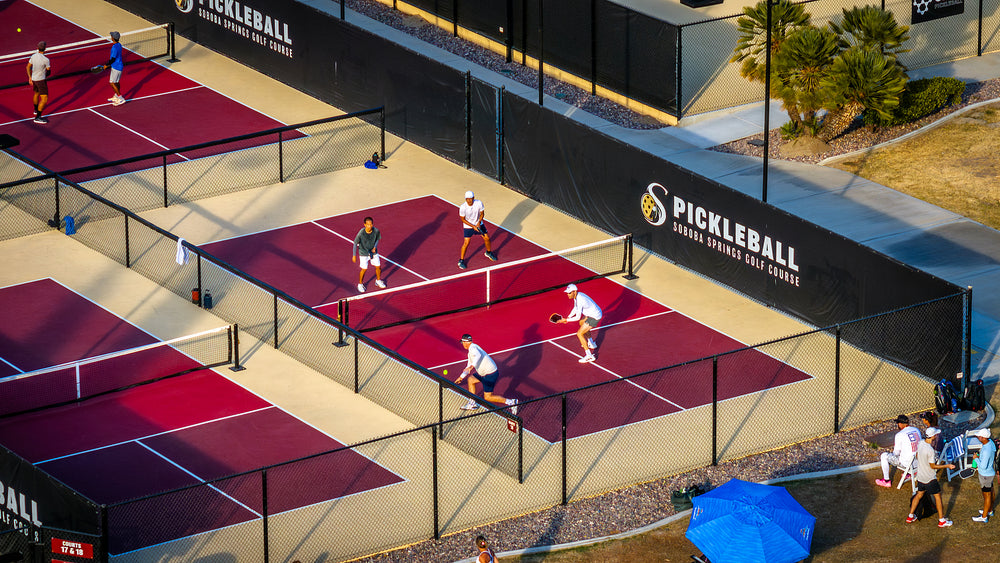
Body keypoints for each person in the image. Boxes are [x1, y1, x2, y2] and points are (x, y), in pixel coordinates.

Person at [455, 334, 517, 414]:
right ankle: (472, 403)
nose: (462, 344)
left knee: (488, 397)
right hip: (483, 373)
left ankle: (511, 402)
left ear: (466, 342)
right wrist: (461, 377)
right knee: (471, 380)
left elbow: (478, 356)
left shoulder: (473, 348)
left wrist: (471, 367)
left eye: (463, 342)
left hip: (490, 374)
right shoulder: (471, 351)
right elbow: (468, 365)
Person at [906, 427, 955, 526]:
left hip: (921, 477)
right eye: (935, 434)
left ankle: (910, 516)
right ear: (933, 436)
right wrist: (947, 465)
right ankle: (942, 520)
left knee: (919, 495)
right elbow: (933, 466)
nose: (936, 436)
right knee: (938, 498)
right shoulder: (930, 450)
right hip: (930, 478)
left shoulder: (920, 443)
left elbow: (917, 455)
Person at [556, 283, 603, 363]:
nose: (568, 294)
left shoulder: (580, 299)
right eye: (567, 293)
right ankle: (591, 343)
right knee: (581, 322)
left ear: (574, 291)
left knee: (579, 334)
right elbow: (575, 308)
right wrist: (568, 317)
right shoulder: (577, 296)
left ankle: (589, 356)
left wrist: (566, 320)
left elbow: (577, 317)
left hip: (594, 316)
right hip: (591, 314)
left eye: (569, 292)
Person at [875, 414, 921, 488]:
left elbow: (896, 453)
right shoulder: (916, 430)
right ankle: (910, 473)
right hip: (919, 461)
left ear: (900, 424)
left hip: (908, 463)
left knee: (884, 456)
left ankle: (886, 481)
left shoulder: (899, 435)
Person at [458, 190, 496, 269]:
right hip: (468, 226)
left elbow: (482, 213)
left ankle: (488, 252)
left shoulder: (478, 203)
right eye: (467, 199)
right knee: (466, 242)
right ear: (465, 199)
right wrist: (473, 226)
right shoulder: (463, 207)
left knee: (487, 238)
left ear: (473, 198)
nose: (469, 200)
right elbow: (463, 219)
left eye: (471, 198)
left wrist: (478, 222)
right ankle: (461, 260)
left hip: (479, 224)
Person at [352, 216, 386, 293]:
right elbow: (355, 243)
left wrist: (375, 247)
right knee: (364, 269)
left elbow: (377, 239)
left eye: (371, 224)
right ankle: (360, 284)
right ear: (364, 224)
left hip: (373, 252)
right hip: (363, 253)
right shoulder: (361, 232)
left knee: (378, 267)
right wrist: (354, 255)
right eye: (368, 224)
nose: (369, 226)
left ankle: (378, 280)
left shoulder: (376, 231)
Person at [972, 428, 996, 523]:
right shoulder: (990, 443)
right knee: (990, 492)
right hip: (989, 474)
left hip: (985, 475)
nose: (978, 437)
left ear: (983, 438)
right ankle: (989, 510)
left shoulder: (986, 450)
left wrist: (976, 458)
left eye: (979, 436)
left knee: (987, 495)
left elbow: (983, 466)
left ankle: (984, 516)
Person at [26, 41, 51, 124]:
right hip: (41, 81)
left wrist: (30, 77)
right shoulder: (46, 60)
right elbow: (48, 71)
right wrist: (45, 74)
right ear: (45, 49)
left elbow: (28, 67)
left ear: (37, 48)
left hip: (34, 79)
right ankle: (38, 117)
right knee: (44, 99)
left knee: (36, 94)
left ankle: (35, 110)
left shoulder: (33, 56)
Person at [102, 31, 125, 105]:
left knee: (112, 83)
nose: (111, 36)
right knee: (116, 82)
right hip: (120, 66)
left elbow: (113, 59)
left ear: (113, 38)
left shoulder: (114, 47)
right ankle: (116, 96)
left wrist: (106, 65)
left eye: (111, 36)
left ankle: (120, 98)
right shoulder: (119, 45)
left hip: (116, 67)